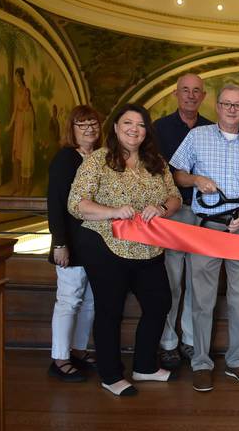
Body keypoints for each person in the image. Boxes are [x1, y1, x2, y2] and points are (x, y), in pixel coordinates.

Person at [68, 103, 181, 397]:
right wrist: (113, 211)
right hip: (105, 244)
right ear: (116, 128)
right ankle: (110, 374)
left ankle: (144, 366)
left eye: (141, 125)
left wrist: (162, 208)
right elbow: (77, 203)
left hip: (148, 248)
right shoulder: (98, 160)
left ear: (147, 131)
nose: (134, 129)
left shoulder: (155, 161)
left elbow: (175, 197)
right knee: (110, 310)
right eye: (128, 123)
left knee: (160, 303)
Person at [170, 83, 239, 393]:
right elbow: (177, 173)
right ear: (217, 106)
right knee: (202, 299)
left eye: (238, 105)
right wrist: (196, 179)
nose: (232, 109)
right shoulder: (197, 137)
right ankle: (201, 363)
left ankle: (236, 360)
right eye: (227, 104)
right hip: (206, 227)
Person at [153, 73, 212, 371]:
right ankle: (168, 342)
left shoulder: (210, 129)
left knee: (196, 281)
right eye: (185, 91)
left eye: (196, 91)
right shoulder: (160, 129)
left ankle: (190, 339)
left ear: (203, 96)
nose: (190, 95)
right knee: (172, 282)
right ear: (176, 94)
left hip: (203, 215)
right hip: (172, 215)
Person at [47, 105, 102, 382]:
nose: (89, 129)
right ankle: (59, 358)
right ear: (72, 129)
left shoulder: (102, 158)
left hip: (97, 242)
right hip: (71, 242)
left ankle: (79, 350)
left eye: (93, 123)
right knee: (68, 300)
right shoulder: (65, 159)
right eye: (82, 125)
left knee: (90, 301)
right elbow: (55, 205)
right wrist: (59, 244)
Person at [6, 86, 36, 195]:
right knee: (22, 163)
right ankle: (22, 188)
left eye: (27, 95)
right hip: (23, 140)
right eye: (24, 95)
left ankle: (27, 188)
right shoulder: (22, 110)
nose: (26, 97)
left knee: (27, 162)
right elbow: (19, 124)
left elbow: (30, 125)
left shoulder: (30, 109)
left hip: (28, 139)